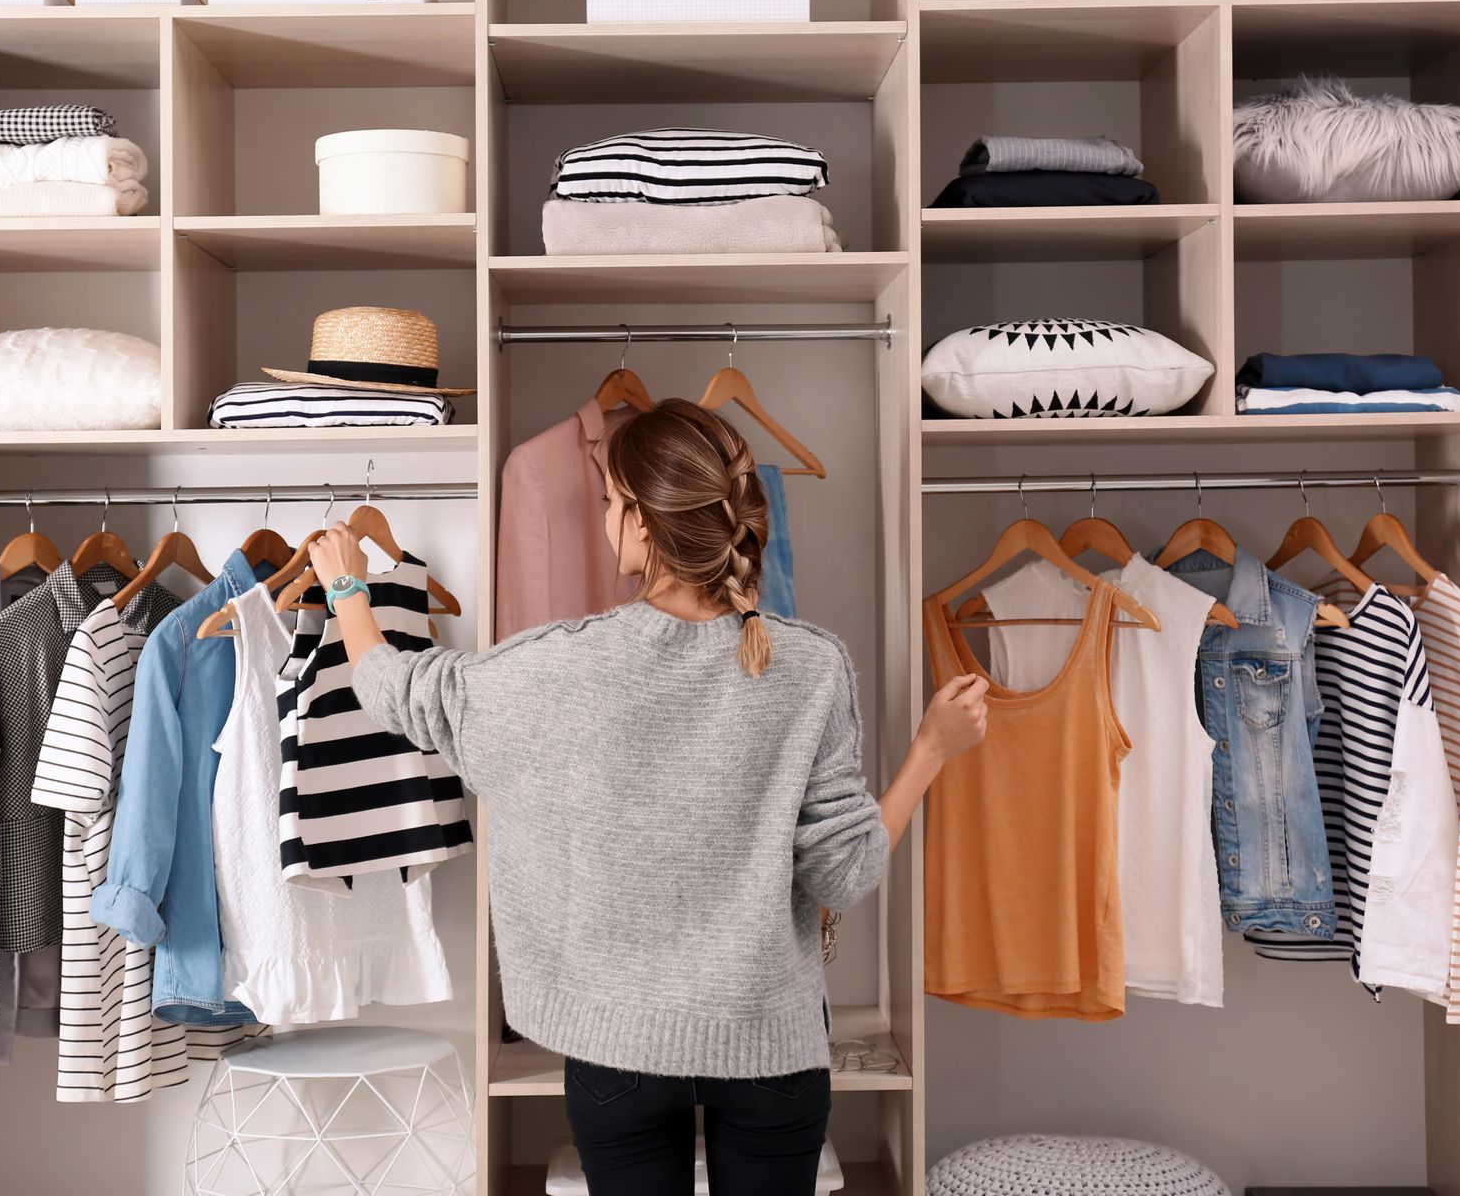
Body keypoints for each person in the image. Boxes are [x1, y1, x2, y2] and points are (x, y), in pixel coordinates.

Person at [306, 398, 988, 1196]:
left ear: (639, 522)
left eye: (609, 505)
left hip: (616, 1049)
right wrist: (932, 751)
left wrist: (349, 587)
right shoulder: (812, 668)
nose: (604, 521)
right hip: (770, 1044)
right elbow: (842, 875)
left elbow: (400, 694)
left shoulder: (558, 666)